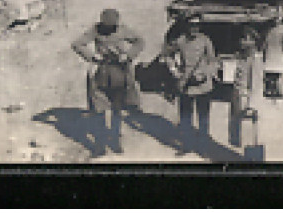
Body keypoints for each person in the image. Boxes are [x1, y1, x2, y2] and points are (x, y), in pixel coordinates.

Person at [71, 8, 145, 155]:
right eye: (107, 26)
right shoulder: (95, 29)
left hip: (119, 73)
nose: (109, 29)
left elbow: (140, 41)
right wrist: (92, 56)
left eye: (112, 26)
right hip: (101, 73)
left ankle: (116, 141)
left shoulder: (123, 30)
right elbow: (77, 44)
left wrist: (128, 55)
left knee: (117, 109)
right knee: (99, 110)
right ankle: (100, 144)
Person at [159, 17, 220, 151]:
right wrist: (175, 72)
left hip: (203, 84)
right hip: (186, 84)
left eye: (197, 26)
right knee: (186, 117)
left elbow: (213, 60)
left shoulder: (205, 40)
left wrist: (206, 73)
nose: (194, 29)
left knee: (203, 116)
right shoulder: (181, 41)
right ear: (187, 27)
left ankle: (204, 145)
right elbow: (166, 55)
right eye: (192, 26)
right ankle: (186, 144)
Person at [228, 28, 265, 161]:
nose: (242, 42)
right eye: (242, 38)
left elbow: (256, 82)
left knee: (250, 134)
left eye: (246, 39)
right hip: (239, 97)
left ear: (254, 42)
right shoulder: (243, 57)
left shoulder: (255, 59)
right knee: (240, 133)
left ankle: (253, 162)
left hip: (247, 100)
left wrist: (252, 105)